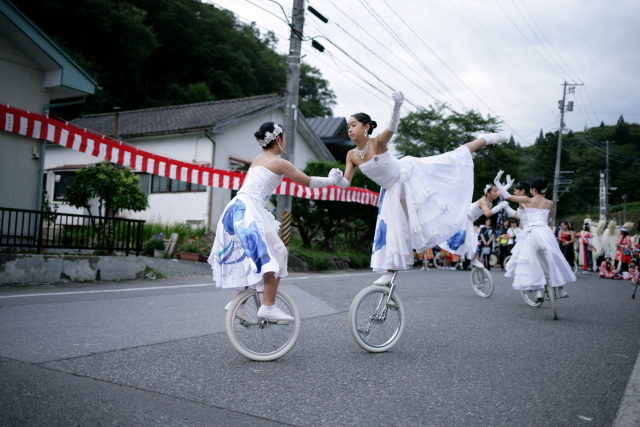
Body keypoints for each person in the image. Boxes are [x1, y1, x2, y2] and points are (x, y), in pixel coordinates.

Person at [342, 91, 508, 285]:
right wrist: (334, 179)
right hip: (391, 190)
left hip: (407, 176)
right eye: (348, 127)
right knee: (390, 229)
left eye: (353, 125)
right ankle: (388, 272)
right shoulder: (351, 155)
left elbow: (392, 127)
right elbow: (346, 182)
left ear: (366, 127)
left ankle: (484, 139)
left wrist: (397, 106)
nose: (350, 130)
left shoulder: (377, 142)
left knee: (452, 158)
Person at [208, 122, 348, 321]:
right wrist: (331, 180)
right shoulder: (279, 162)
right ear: (279, 139)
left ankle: (238, 303)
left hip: (237, 208)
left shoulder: (258, 159)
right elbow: (308, 182)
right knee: (278, 253)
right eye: (285, 138)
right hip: (248, 210)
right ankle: (268, 306)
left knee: (259, 256)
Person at [494, 173, 576, 301]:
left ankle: (538, 291)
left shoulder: (528, 200)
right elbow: (548, 218)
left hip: (532, 233)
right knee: (552, 259)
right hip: (546, 232)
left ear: (533, 189)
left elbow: (507, 196)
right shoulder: (550, 203)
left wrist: (498, 183)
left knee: (532, 261)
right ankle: (561, 289)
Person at [439, 183, 509, 269]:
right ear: (488, 192)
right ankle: (473, 259)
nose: (496, 193)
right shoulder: (483, 201)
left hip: (469, 219)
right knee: (469, 238)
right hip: (465, 217)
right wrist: (499, 206)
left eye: (496, 191)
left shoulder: (490, 198)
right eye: (494, 191)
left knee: (468, 239)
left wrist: (508, 185)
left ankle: (472, 258)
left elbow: (500, 192)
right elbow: (487, 213)